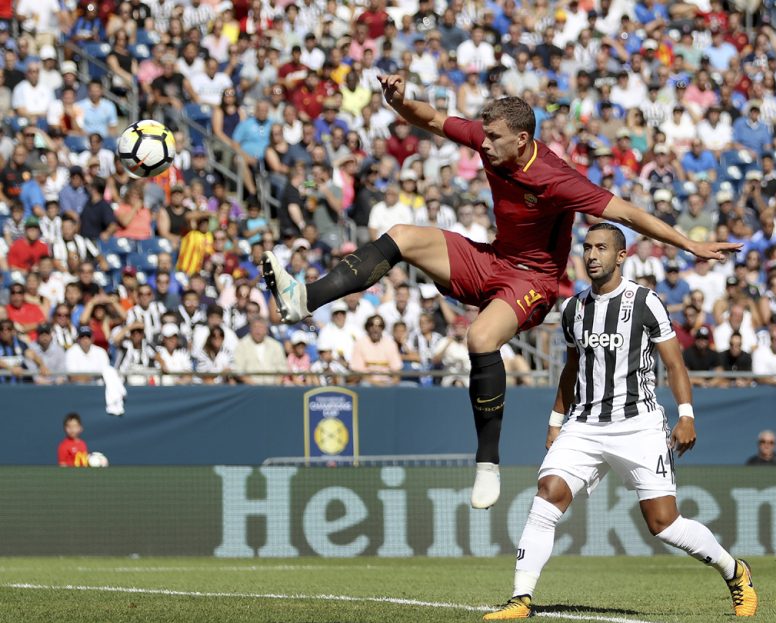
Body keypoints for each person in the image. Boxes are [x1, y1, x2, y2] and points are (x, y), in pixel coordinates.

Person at [262, 81, 741, 510]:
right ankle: (304, 299)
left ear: (523, 140)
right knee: (403, 235)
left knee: (480, 337)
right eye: (484, 135)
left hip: (534, 280)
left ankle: (487, 463)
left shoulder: (557, 178)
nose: (482, 144)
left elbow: (629, 214)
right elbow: (428, 119)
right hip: (495, 260)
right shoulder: (492, 142)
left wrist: (691, 244)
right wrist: (399, 101)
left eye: (492, 138)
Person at [482, 224, 757, 622]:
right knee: (547, 495)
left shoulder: (647, 303)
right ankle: (520, 598)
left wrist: (686, 415)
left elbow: (674, 364)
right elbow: (571, 369)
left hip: (639, 424)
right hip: (585, 423)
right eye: (588, 248)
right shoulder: (574, 309)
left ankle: (735, 572)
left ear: (621, 256)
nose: (592, 255)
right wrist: (556, 421)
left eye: (601, 248)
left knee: (663, 523)